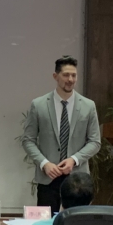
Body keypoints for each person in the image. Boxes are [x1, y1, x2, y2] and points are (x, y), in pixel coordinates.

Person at [21, 55, 101, 214]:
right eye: (66, 75)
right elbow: (28, 140)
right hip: (48, 177)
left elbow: (95, 142)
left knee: (78, 223)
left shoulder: (88, 106)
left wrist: (74, 160)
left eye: (74, 75)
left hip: (78, 181)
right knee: (47, 224)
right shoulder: (39, 105)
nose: (70, 79)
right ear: (55, 76)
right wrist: (44, 163)